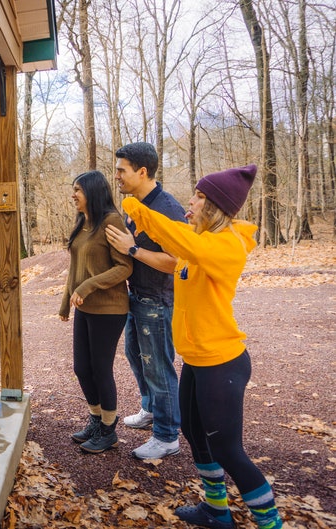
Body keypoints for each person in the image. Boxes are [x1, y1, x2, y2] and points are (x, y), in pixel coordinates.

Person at [123, 165, 283, 529]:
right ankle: (216, 511)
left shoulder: (225, 246)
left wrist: (138, 208)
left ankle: (271, 523)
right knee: (196, 437)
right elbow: (179, 238)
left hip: (221, 363)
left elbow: (186, 242)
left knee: (229, 450)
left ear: (213, 206)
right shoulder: (199, 241)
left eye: (197, 198)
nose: (189, 204)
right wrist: (143, 226)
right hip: (195, 361)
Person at [105, 142, 187, 460]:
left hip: (158, 301)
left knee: (158, 368)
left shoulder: (166, 209)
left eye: (121, 170)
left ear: (142, 172)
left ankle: (167, 436)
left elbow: (177, 261)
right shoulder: (135, 205)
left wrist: (133, 250)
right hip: (136, 297)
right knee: (134, 355)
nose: (117, 177)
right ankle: (151, 409)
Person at [58, 170, 133, 454]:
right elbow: (74, 267)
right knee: (82, 368)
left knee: (101, 369)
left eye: (77, 189)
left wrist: (88, 286)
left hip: (110, 309)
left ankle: (108, 430)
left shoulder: (111, 221)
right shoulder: (83, 222)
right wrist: (66, 302)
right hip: (84, 308)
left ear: (92, 191)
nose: (73, 194)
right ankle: (95, 419)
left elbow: (125, 267)